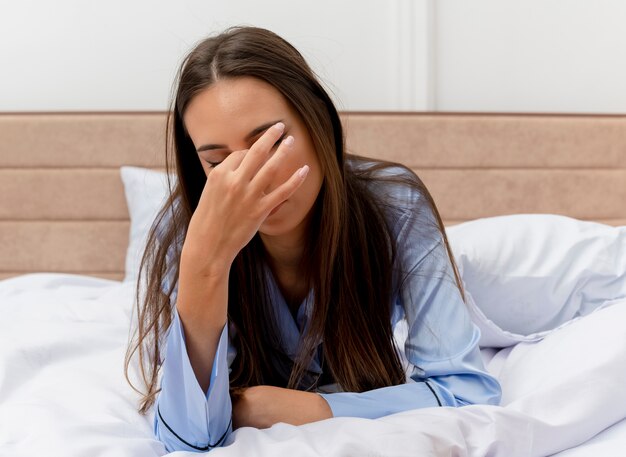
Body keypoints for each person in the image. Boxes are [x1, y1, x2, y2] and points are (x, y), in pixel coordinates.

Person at [124, 26, 502, 453]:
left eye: (273, 143)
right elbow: (186, 435)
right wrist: (205, 265)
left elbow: (467, 393)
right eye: (217, 161)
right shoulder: (182, 232)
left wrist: (306, 409)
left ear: (317, 122)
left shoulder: (396, 204)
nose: (252, 178)